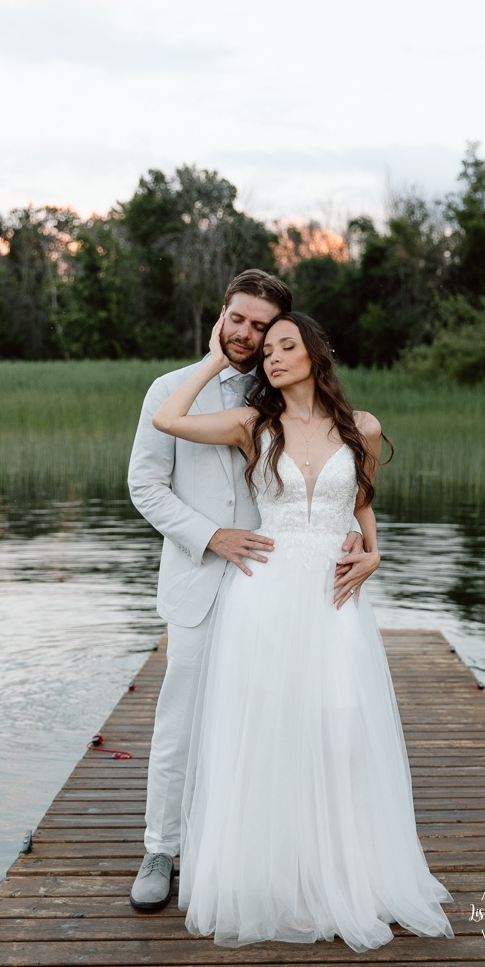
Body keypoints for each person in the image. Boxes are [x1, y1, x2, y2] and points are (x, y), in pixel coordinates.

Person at [152, 309, 454, 952]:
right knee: (271, 728)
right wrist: (214, 358)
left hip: (334, 596)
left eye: (288, 346)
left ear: (316, 352)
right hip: (263, 592)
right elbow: (167, 419)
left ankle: (344, 872)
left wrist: (373, 553)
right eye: (266, 353)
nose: (275, 358)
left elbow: (363, 502)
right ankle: (278, 878)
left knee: (342, 725)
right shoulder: (250, 425)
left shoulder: (363, 427)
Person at [127, 270, 368, 912]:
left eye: (262, 327)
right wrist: (211, 535)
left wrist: (356, 541)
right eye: (238, 319)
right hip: (204, 579)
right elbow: (145, 488)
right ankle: (161, 847)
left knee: (271, 722)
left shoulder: (283, 392)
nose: (247, 334)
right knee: (182, 719)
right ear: (222, 315)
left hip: (281, 590)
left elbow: (337, 482)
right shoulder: (173, 390)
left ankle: (258, 844)